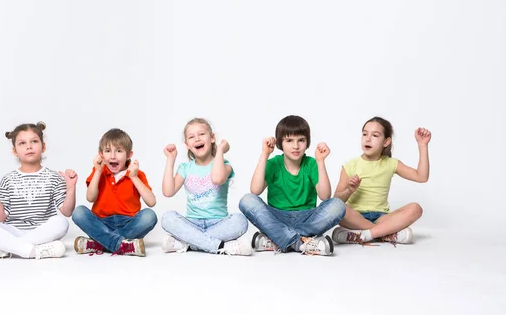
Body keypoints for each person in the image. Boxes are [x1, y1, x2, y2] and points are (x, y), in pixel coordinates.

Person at [239, 115, 345, 256]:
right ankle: (300, 243)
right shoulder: (274, 163)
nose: (295, 146)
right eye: (289, 141)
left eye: (301, 140)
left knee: (338, 205)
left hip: (307, 217)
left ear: (307, 142)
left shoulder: (312, 164)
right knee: (247, 200)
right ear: (280, 143)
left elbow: (325, 196)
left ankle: (277, 239)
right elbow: (255, 190)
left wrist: (320, 162)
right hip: (277, 216)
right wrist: (265, 154)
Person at [0, 122, 76, 260]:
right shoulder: (8, 179)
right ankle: (33, 251)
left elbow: (67, 211)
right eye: (22, 143)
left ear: (43, 146)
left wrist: (71, 187)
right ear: (15, 151)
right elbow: (0, 217)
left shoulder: (53, 177)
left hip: (42, 232)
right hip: (13, 231)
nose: (29, 146)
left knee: (62, 223)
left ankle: (6, 250)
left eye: (34, 141)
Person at [331, 117, 431, 245]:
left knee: (416, 208)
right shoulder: (350, 165)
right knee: (338, 208)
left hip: (382, 218)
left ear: (386, 142)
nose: (368, 138)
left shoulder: (391, 163)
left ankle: (364, 235)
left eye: (375, 135)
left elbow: (421, 177)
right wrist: (350, 190)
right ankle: (386, 234)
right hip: (355, 218)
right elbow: (336, 201)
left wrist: (422, 145)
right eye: (365, 134)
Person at [160, 118, 251, 255]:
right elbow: (168, 191)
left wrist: (220, 150)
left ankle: (188, 244)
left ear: (212, 138)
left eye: (202, 134)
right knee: (167, 218)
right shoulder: (185, 168)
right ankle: (221, 246)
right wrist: (170, 159)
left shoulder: (224, 165)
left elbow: (217, 179)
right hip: (192, 224)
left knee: (240, 221)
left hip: (219, 223)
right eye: (191, 137)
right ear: (187, 145)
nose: (197, 139)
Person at [72, 128, 157, 257]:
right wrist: (98, 171)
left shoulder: (137, 173)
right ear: (101, 155)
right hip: (101, 223)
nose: (112, 156)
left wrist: (134, 177)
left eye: (119, 151)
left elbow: (151, 202)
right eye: (107, 151)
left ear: (129, 155)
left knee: (149, 216)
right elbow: (90, 198)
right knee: (79, 212)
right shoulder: (99, 171)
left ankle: (99, 243)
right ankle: (120, 245)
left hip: (129, 223)